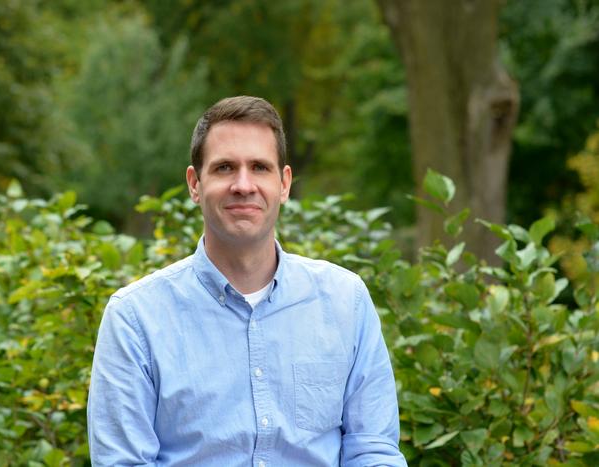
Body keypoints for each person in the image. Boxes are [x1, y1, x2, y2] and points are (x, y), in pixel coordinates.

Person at [87, 96, 407, 466]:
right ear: (195, 184)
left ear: (283, 184)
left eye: (259, 167)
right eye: (224, 168)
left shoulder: (344, 302)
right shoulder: (135, 318)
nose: (243, 184)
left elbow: (373, 452)